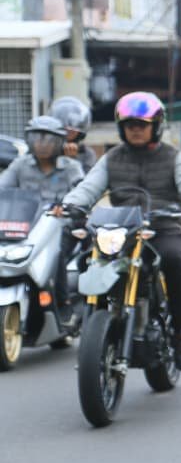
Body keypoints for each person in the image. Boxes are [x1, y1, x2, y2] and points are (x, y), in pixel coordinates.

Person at [62, 92, 181, 370]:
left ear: (156, 125)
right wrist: (69, 205)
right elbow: (89, 187)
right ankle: (90, 317)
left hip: (162, 226)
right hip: (121, 228)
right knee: (88, 259)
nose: (136, 130)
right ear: (121, 128)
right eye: (130, 125)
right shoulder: (112, 158)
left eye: (141, 124)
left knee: (173, 260)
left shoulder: (173, 156)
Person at [0, 116, 85, 324]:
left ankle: (63, 303)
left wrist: (68, 208)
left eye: (49, 139)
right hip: (25, 226)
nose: (43, 144)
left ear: (60, 143)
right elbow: (2, 189)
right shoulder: (20, 165)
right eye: (37, 138)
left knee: (57, 255)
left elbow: (83, 194)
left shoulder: (71, 167)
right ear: (29, 140)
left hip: (61, 227)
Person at [49, 96, 96, 173]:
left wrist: (72, 160)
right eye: (64, 126)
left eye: (74, 125)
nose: (69, 129)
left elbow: (87, 181)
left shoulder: (86, 153)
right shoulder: (47, 150)